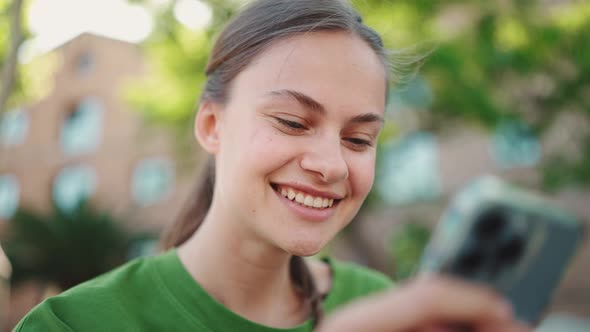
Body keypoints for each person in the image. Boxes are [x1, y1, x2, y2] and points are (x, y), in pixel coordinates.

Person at [16, 0, 531, 331]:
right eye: (291, 122)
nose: (331, 165)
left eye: (358, 138)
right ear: (212, 126)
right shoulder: (75, 323)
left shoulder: (383, 307)